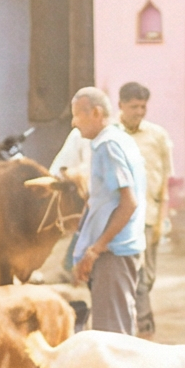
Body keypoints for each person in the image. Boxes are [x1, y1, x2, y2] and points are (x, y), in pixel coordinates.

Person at [69, 87, 145, 335]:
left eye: (77, 115)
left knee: (112, 337)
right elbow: (102, 202)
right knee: (119, 327)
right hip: (119, 250)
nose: (73, 122)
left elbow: (128, 203)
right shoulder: (119, 139)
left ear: (96, 113)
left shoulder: (107, 146)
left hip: (114, 253)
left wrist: (96, 249)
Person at [118, 81, 173, 336]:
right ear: (120, 106)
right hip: (120, 218)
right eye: (133, 107)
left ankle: (138, 321)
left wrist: (163, 219)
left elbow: (164, 182)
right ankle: (142, 327)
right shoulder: (112, 136)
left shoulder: (157, 136)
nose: (139, 112)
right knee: (133, 276)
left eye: (143, 107)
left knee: (147, 277)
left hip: (150, 217)